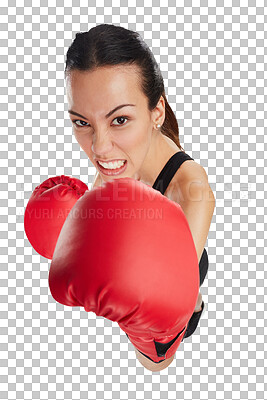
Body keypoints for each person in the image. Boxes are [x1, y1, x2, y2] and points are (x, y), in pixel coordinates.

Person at [64, 23, 215, 371]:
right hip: (138, 255)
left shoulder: (193, 193)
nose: (99, 148)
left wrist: (134, 322)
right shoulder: (116, 157)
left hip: (180, 293)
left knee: (183, 301)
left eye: (119, 119)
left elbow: (158, 363)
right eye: (82, 122)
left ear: (156, 111)